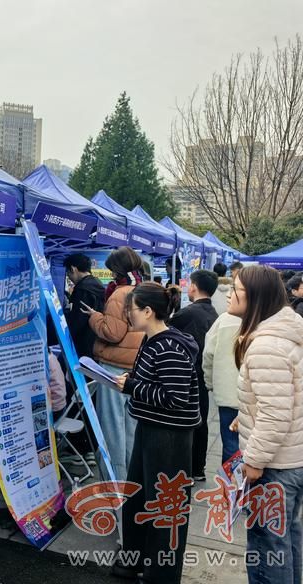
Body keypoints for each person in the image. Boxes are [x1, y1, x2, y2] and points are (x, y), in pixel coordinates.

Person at [114, 283, 200, 584]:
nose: (127, 314)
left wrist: (132, 386)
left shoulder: (169, 346)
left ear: (148, 311)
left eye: (131, 309)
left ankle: (161, 574)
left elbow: (175, 398)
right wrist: (134, 380)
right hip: (150, 427)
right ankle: (133, 560)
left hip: (169, 435)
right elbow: (155, 382)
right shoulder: (153, 340)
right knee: (138, 498)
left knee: (165, 506)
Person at [227, 265, 303, 584]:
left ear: (255, 297)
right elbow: (284, 398)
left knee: (268, 547)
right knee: (285, 539)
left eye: (235, 290)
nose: (229, 295)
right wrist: (246, 414)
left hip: (275, 465)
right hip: (290, 459)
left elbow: (275, 413)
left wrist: (255, 460)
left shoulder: (266, 345)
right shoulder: (284, 332)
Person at [82, 246, 144, 481]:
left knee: (112, 430)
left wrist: (95, 317)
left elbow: (113, 332)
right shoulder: (143, 288)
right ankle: (130, 479)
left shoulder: (120, 294)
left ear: (116, 269)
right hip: (135, 367)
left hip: (114, 369)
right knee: (130, 429)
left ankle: (114, 482)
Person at [168, 269, 219, 481]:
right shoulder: (214, 313)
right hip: (203, 375)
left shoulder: (187, 314)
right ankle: (198, 468)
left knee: (185, 422)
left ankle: (185, 469)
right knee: (201, 421)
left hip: (187, 375)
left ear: (195, 287)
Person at [202, 310, 241, 465]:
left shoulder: (225, 319)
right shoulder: (266, 316)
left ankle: (232, 480)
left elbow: (208, 354)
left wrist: (210, 383)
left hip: (228, 393)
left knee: (231, 445)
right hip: (259, 397)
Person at [62, 253, 105, 360]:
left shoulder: (82, 289)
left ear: (73, 269)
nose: (69, 277)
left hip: (83, 343)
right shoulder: (97, 283)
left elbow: (77, 320)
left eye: (68, 273)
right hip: (96, 340)